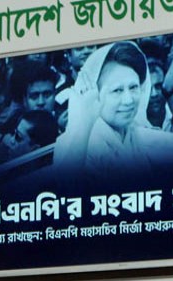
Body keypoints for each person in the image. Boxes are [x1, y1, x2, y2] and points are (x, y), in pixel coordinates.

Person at [52, 41, 158, 185]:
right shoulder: (73, 145)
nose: (128, 101)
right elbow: (65, 188)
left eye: (133, 87)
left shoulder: (141, 134)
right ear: (95, 94)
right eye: (117, 90)